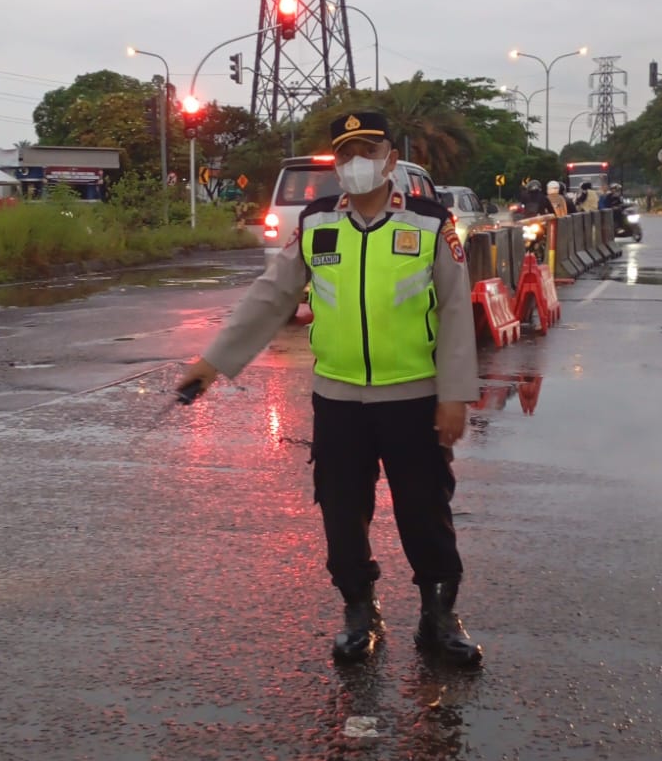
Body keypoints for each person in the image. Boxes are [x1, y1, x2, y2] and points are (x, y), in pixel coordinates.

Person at [177, 109, 482, 670]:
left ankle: (439, 616)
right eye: (345, 153)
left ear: (390, 158)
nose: (355, 162)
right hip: (338, 400)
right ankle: (359, 613)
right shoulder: (318, 224)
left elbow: (457, 312)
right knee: (342, 512)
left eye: (367, 149)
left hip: (413, 398)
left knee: (425, 510)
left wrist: (454, 394)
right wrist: (212, 362)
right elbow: (271, 297)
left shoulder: (429, 223)